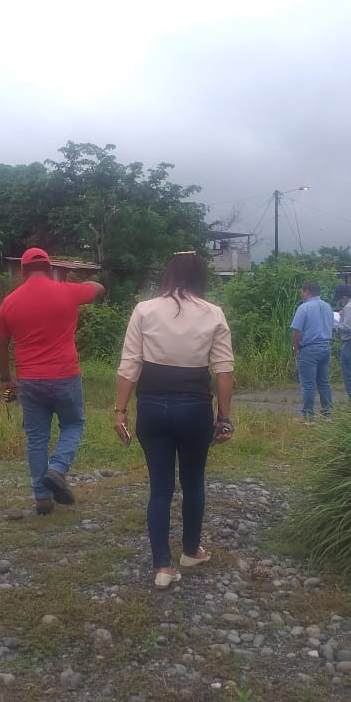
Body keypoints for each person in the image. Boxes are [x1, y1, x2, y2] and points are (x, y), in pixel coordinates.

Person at [114, 251, 235, 590]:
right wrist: (224, 418)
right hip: (194, 408)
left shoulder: (144, 310)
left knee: (160, 489)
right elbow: (224, 372)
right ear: (200, 277)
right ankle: (191, 551)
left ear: (168, 274)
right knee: (194, 482)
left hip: (151, 407)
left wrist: (120, 410)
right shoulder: (213, 314)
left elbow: (129, 365)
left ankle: (162, 567)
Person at [0, 248, 105, 516]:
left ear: (23, 270)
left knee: (36, 438)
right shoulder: (68, 291)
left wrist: (6, 379)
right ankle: (57, 470)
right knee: (73, 424)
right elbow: (99, 289)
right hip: (65, 376)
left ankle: (42, 499)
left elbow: (0, 345)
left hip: (29, 380)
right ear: (49, 267)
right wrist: (83, 282)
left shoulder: (9, 301)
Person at [290, 280, 333, 421]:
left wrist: (296, 348)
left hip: (309, 349)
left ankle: (309, 416)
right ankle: (327, 415)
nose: (301, 293)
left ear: (307, 291)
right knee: (324, 383)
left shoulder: (304, 308)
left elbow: (297, 331)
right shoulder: (327, 306)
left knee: (308, 384)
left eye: (302, 291)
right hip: (325, 347)